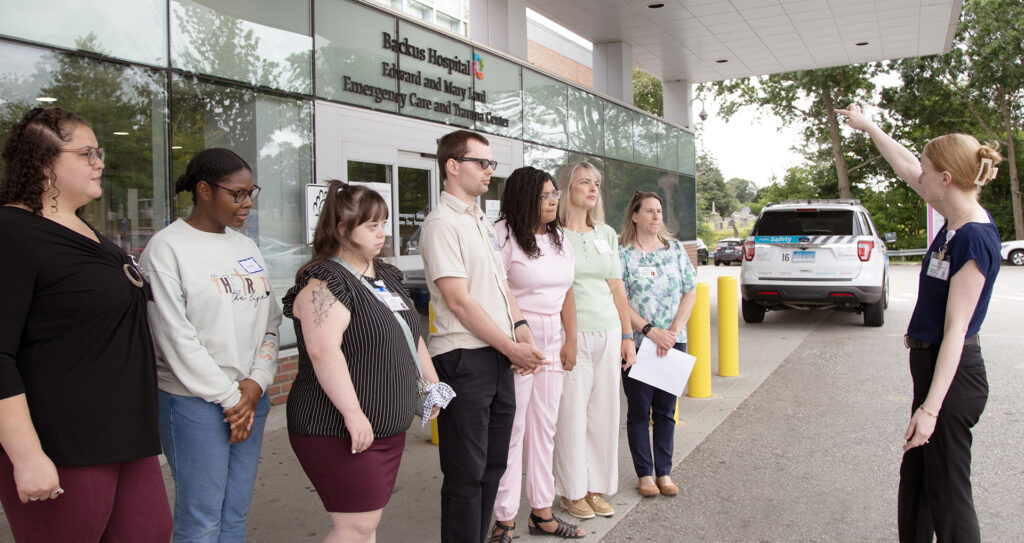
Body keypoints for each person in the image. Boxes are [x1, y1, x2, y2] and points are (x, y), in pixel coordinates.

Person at [0, 107, 171, 541]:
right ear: (42, 163)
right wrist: (27, 456)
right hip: (64, 445)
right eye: (86, 153)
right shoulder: (12, 233)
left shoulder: (86, 231)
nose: (100, 162)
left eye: (100, 152)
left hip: (127, 436)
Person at [836, 104, 1003, 543]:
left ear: (946, 179)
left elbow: (957, 331)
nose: (918, 177)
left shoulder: (973, 237)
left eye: (927, 172)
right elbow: (906, 163)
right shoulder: (953, 222)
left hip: (951, 377)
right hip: (930, 371)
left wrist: (930, 410)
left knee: (948, 494)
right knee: (917, 483)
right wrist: (869, 125)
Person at [283, 181, 443, 543]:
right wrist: (353, 413)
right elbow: (324, 351)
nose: (381, 233)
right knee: (353, 528)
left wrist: (431, 385)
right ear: (342, 230)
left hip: (383, 428)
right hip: (338, 428)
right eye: (371, 226)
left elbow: (410, 335)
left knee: (363, 527)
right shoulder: (325, 282)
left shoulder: (383, 275)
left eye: (383, 224)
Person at [141, 148, 281, 542]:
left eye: (251, 191)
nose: (247, 201)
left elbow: (270, 320)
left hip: (250, 400)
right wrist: (230, 397)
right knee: (201, 520)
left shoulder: (246, 248)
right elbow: (174, 336)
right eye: (236, 193)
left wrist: (255, 383)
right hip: (193, 404)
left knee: (235, 515)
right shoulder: (168, 249)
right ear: (204, 190)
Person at [420, 130, 548, 543]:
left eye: (492, 163)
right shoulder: (441, 224)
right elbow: (459, 301)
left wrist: (521, 329)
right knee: (466, 472)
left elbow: (501, 288)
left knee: (494, 466)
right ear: (452, 166)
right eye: (482, 162)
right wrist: (510, 346)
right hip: (463, 358)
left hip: (495, 354)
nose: (489, 170)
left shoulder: (479, 220)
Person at [490, 167, 583, 541]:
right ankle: (505, 518)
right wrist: (515, 339)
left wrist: (570, 339)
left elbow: (568, 293)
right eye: (545, 196)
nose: (553, 201)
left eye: (554, 195)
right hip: (518, 338)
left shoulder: (561, 237)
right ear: (524, 198)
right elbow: (495, 291)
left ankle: (542, 512)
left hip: (553, 338)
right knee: (513, 431)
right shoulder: (503, 236)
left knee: (545, 429)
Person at [552, 161, 636, 519]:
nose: (592, 188)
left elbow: (617, 286)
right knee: (571, 414)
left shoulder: (606, 233)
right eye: (584, 182)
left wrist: (628, 335)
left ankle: (596, 487)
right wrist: (569, 337)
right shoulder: (552, 234)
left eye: (596, 183)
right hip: (572, 335)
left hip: (609, 332)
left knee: (604, 414)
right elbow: (559, 288)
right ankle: (572, 491)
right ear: (568, 187)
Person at [618, 191, 697, 498]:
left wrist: (673, 331)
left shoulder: (675, 250)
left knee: (666, 411)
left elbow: (690, 291)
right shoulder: (624, 254)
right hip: (637, 344)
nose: (655, 216)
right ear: (635, 215)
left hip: (672, 344)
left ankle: (664, 472)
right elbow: (619, 299)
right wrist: (649, 331)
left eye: (659, 211)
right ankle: (644, 474)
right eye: (649, 211)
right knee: (639, 411)